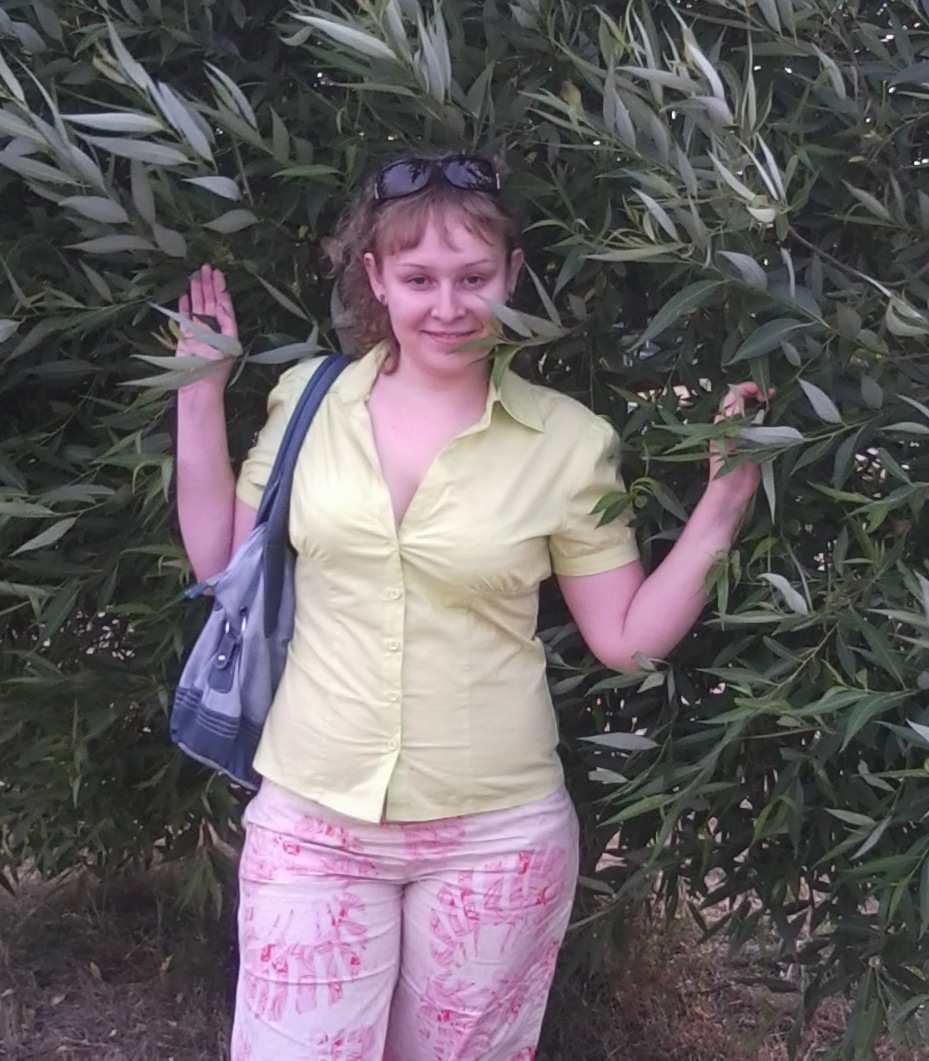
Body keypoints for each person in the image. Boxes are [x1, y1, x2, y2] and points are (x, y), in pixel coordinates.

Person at [174, 153, 767, 1061]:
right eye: (418, 278)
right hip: (312, 821)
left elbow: (624, 639)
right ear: (375, 277)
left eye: (472, 277)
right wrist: (198, 394)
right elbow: (220, 561)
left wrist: (721, 504)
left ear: (511, 273)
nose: (447, 306)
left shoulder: (567, 439)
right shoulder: (308, 401)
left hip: (496, 835)